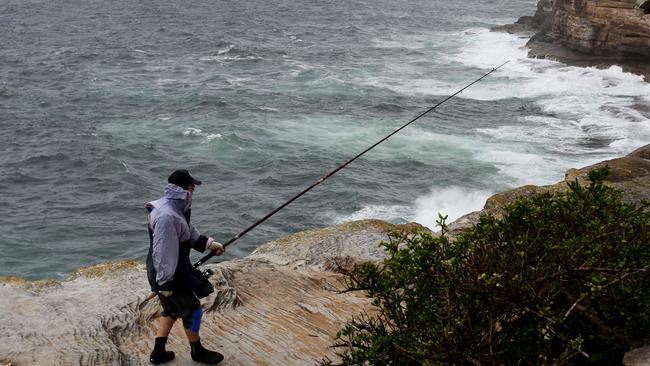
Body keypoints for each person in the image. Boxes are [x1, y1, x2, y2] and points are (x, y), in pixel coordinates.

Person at [145, 169, 225, 365]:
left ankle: (158, 352)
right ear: (185, 188)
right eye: (193, 186)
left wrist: (208, 244)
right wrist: (165, 283)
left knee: (171, 310)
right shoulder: (166, 216)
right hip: (170, 274)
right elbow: (163, 252)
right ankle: (197, 352)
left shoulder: (171, 207)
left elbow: (186, 230)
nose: (194, 190)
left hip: (170, 270)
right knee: (193, 311)